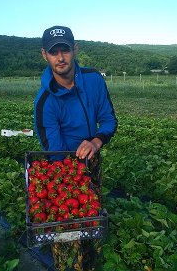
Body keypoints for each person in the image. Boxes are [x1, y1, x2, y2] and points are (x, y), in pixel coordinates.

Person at [34, 25, 117, 271]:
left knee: (92, 221)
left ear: (75, 50)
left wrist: (95, 141)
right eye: (53, 52)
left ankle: (91, 259)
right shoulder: (46, 103)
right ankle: (70, 263)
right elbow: (55, 155)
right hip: (63, 170)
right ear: (44, 55)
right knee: (67, 231)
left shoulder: (94, 80)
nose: (60, 57)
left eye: (65, 50)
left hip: (92, 159)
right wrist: (72, 186)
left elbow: (110, 120)